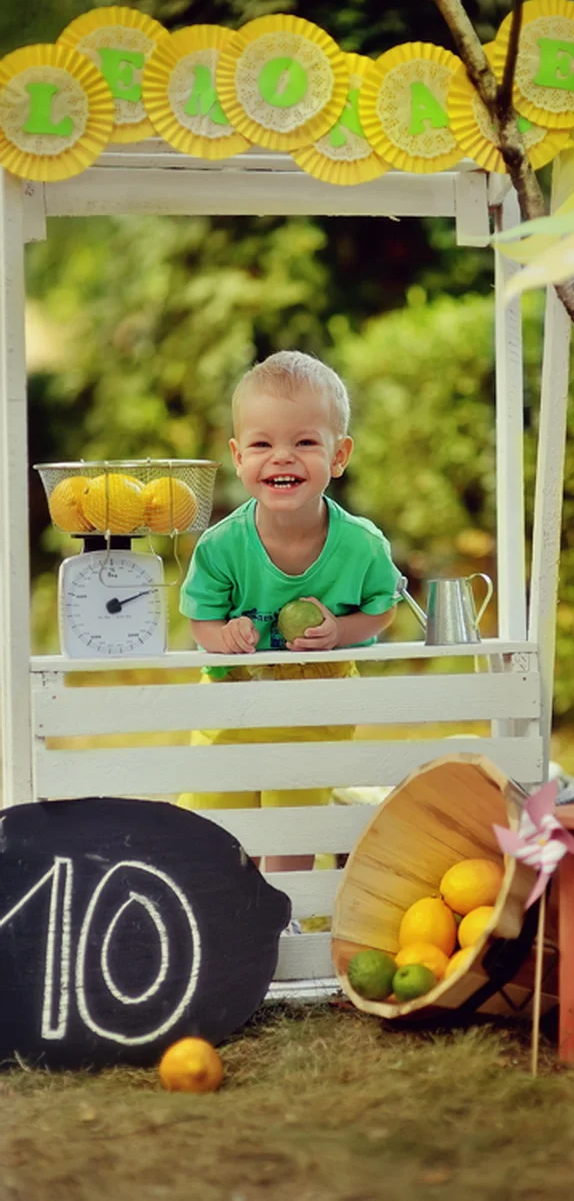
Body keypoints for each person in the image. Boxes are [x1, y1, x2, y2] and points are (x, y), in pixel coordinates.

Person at [178, 351, 400, 880]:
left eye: (304, 442)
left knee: (294, 823)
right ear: (237, 457)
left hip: (316, 708)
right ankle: (228, 907)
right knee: (219, 826)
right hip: (232, 709)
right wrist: (224, 636)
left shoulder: (363, 545)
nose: (282, 458)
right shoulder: (222, 546)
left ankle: (289, 908)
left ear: (339, 455)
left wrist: (340, 631)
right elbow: (200, 622)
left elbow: (384, 609)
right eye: (262, 445)